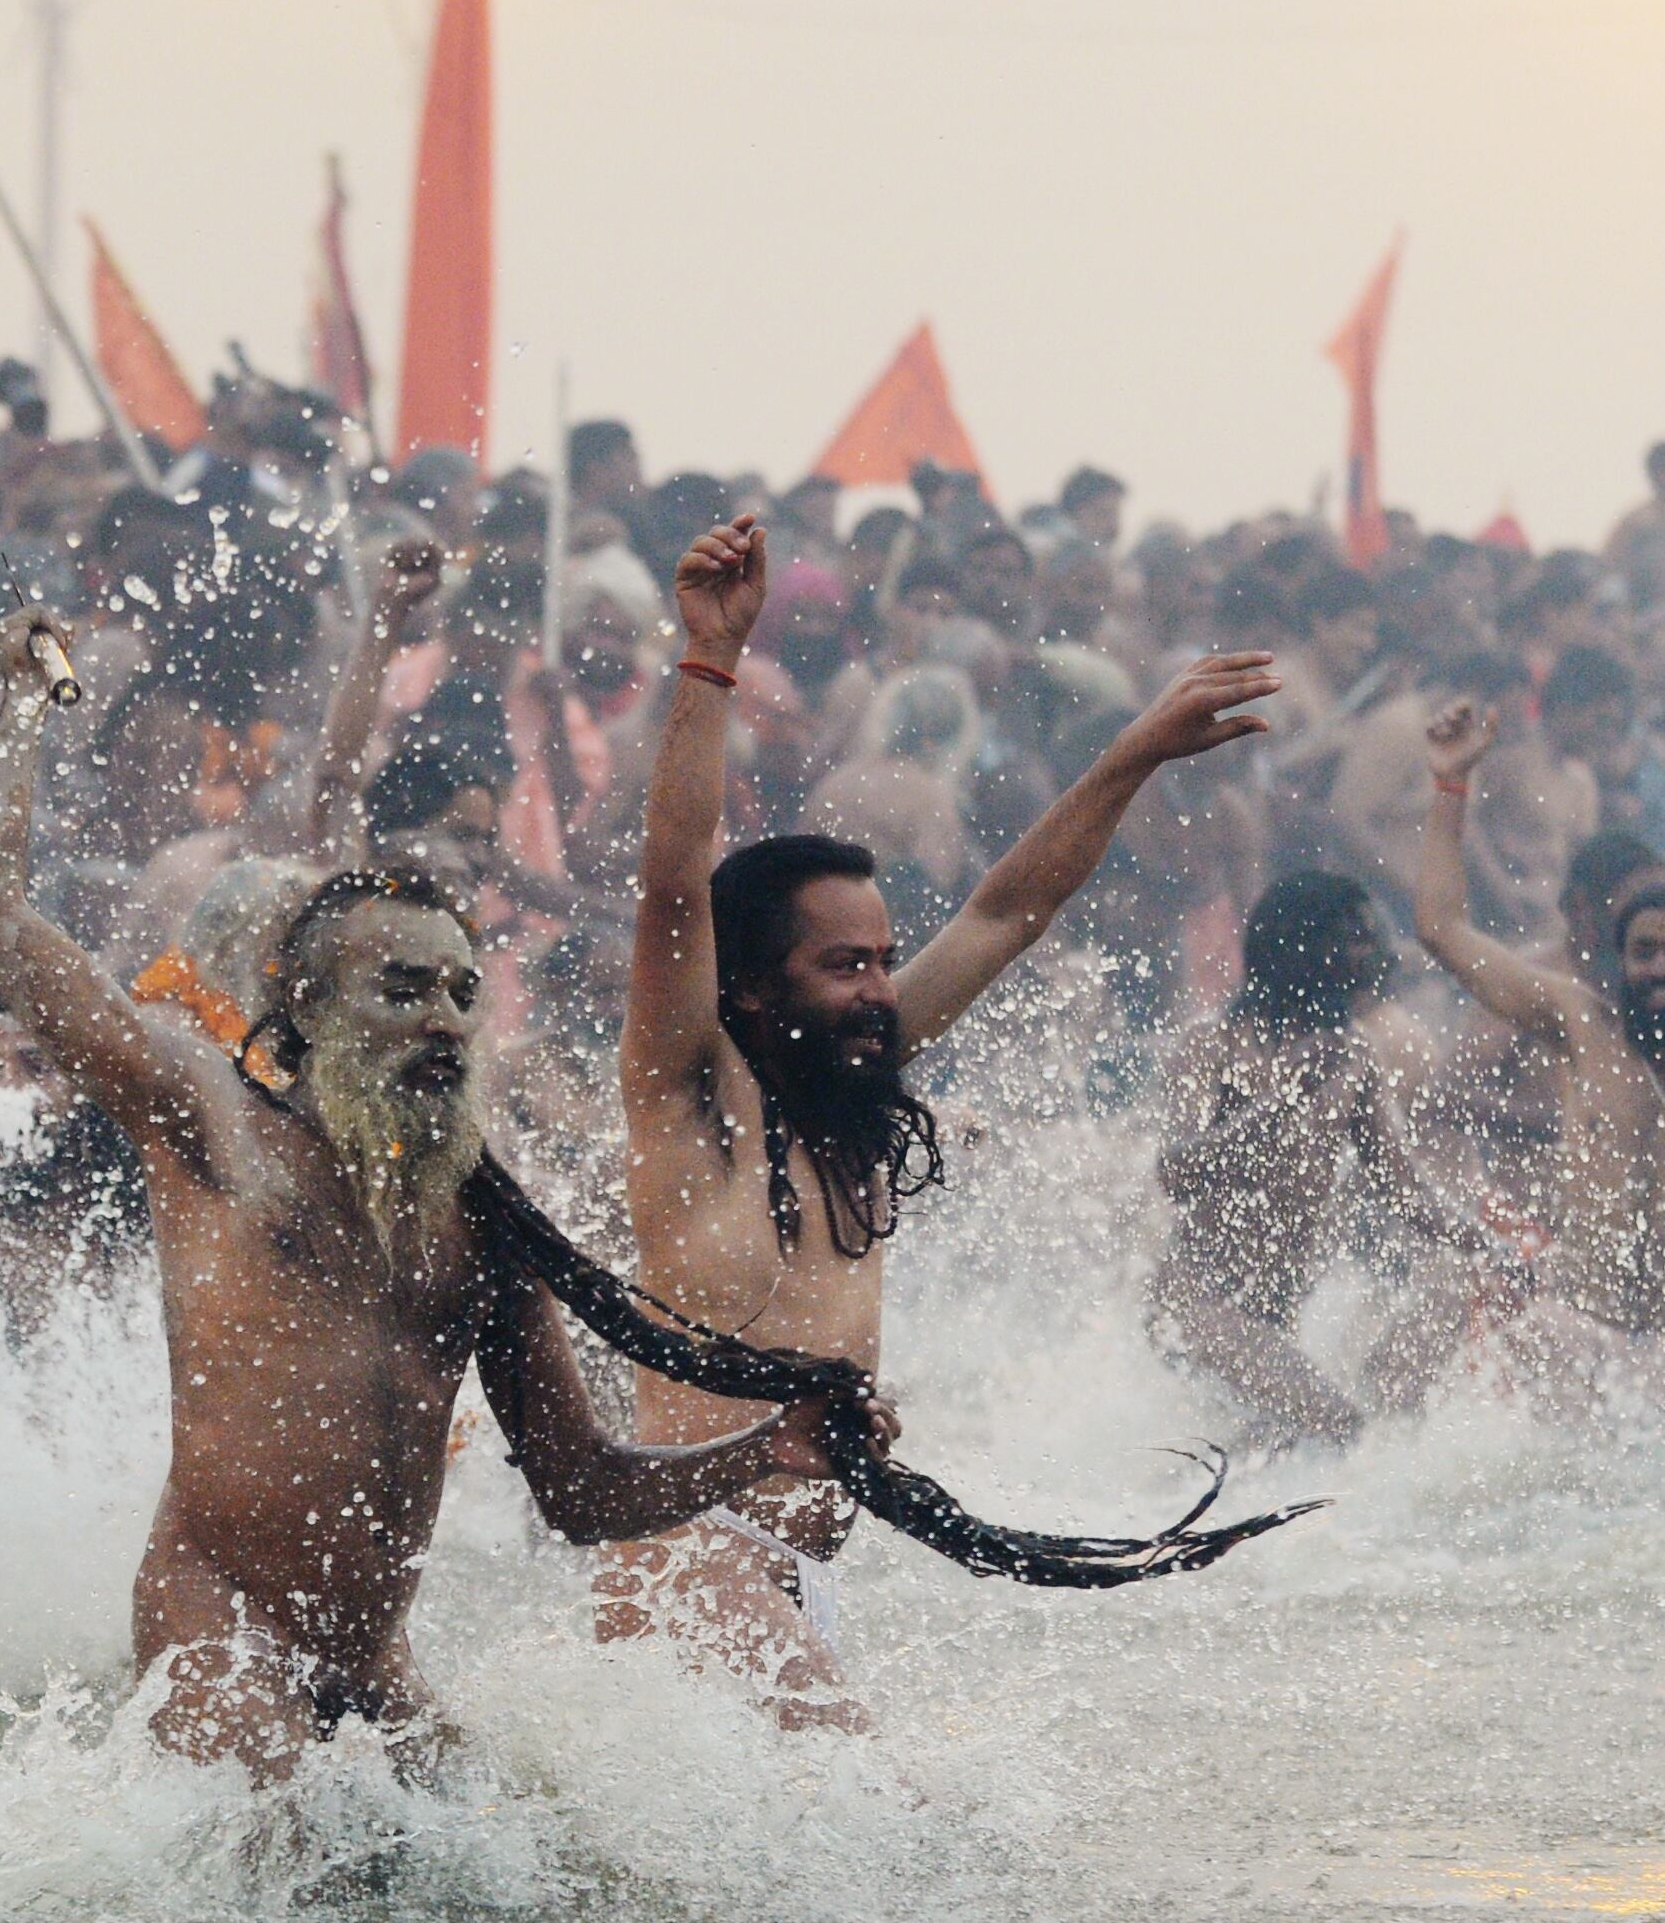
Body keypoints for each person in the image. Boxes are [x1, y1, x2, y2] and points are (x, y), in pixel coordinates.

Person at [0, 607, 843, 1777]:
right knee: (272, 1871)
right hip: (226, 1625)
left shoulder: (486, 1220)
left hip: (373, 1659)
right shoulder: (210, 1114)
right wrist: (23, 706)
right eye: (404, 987)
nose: (443, 1019)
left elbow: (577, 1486)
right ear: (306, 1013)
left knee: (552, 1879)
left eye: (464, 992)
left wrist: (771, 1444)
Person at [609, 514, 1276, 1725]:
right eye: (843, 965)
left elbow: (1009, 910)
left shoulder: (852, 1100)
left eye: (884, 960)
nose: (878, 991)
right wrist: (711, 660)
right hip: (688, 1561)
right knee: (887, 1820)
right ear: (752, 989)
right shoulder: (694, 1100)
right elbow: (670, 875)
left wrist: (1134, 753)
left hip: (799, 1577)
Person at [1145, 872, 1471, 1446]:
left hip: (1272, 1321)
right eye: (1356, 939)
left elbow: (1405, 1193)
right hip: (1196, 1307)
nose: (1377, 953)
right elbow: (1175, 1172)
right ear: (1303, 946)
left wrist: (1492, 1249)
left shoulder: (1349, 1054)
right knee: (1342, 1430)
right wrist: (1282, 1102)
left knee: (1273, 1460)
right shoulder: (1212, 1043)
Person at [1416, 698, 1665, 1341]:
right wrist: (1451, 785)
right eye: (1644, 951)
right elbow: (1441, 931)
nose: (1657, 969)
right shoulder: (1586, 1022)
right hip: (1581, 1329)